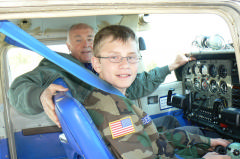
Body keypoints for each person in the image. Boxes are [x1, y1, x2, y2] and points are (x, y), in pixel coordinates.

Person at [83, 24, 231, 159]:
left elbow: (155, 138)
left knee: (205, 137)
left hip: (160, 151)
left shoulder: (108, 96)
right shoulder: (115, 112)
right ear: (96, 63)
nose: (125, 65)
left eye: (131, 57)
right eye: (114, 57)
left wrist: (207, 141)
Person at [8, 23, 192, 127]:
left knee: (169, 120)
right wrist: (39, 95)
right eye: (78, 40)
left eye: (90, 38)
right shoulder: (56, 67)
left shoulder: (105, 66)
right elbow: (17, 89)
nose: (86, 44)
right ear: (68, 46)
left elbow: (137, 85)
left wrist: (171, 66)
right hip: (111, 130)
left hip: (120, 123)